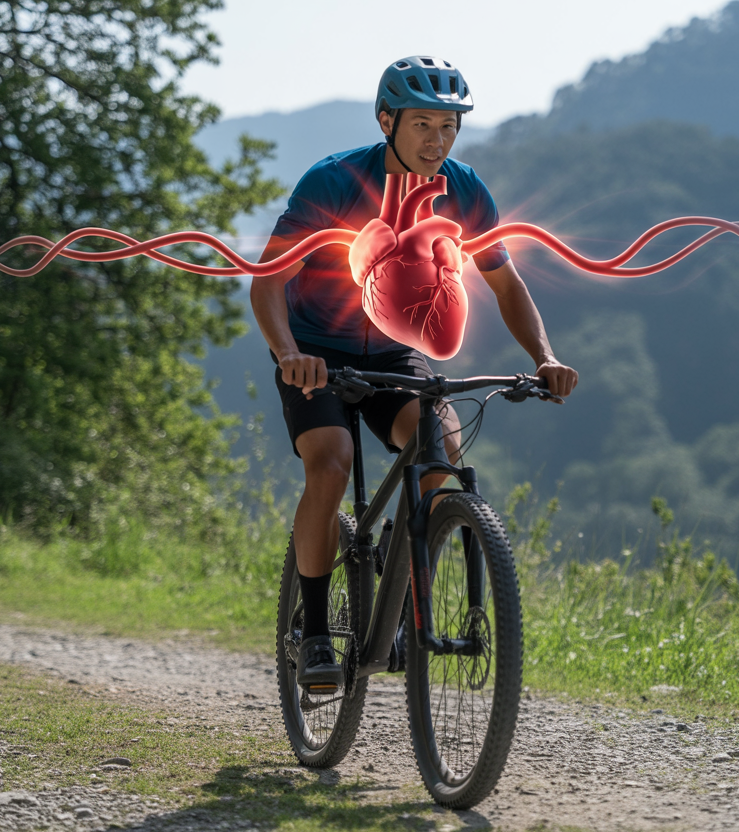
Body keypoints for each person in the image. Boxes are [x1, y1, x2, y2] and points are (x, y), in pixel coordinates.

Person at [250, 55, 578, 692]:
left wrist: (545, 358)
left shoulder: (465, 190)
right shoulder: (334, 180)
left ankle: (399, 603)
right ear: (386, 120)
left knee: (440, 456)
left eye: (450, 127)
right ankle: (315, 632)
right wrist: (290, 353)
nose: (438, 140)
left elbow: (507, 287)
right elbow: (267, 282)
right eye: (424, 124)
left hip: (397, 354)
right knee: (331, 461)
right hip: (317, 348)